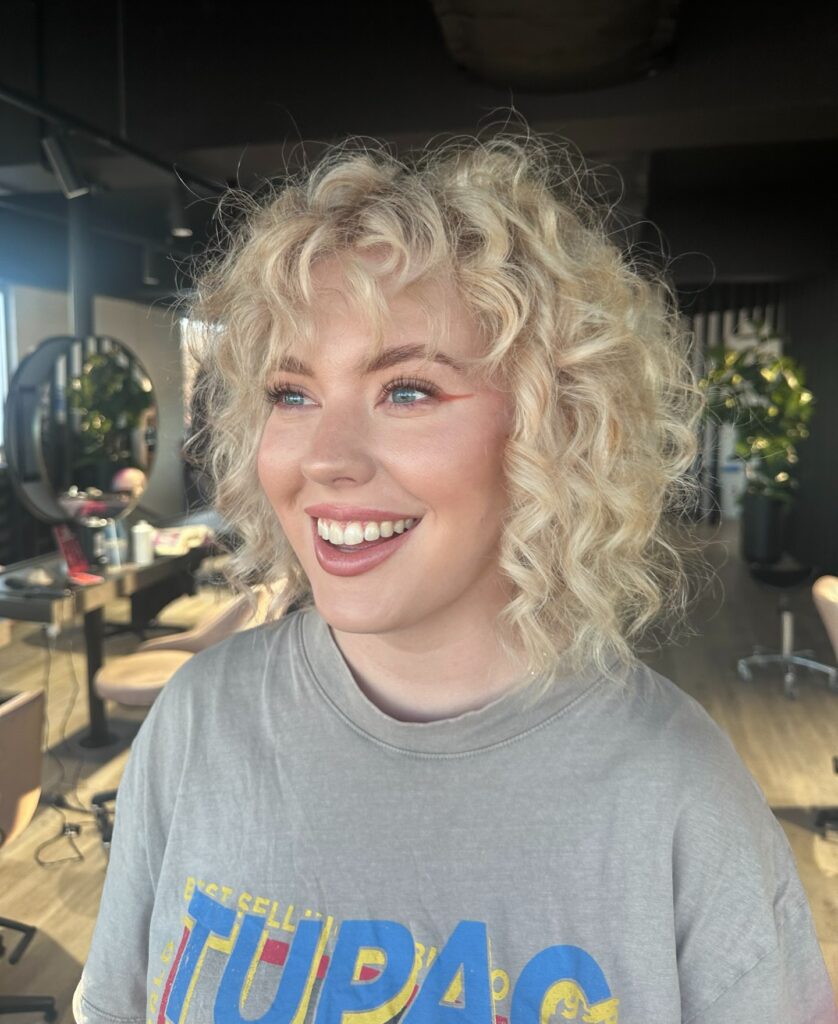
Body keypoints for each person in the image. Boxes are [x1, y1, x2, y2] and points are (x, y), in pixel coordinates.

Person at [74, 130, 837, 1023]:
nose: (324, 459)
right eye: (292, 394)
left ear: (558, 428)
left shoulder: (676, 792)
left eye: (407, 391)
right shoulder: (199, 719)